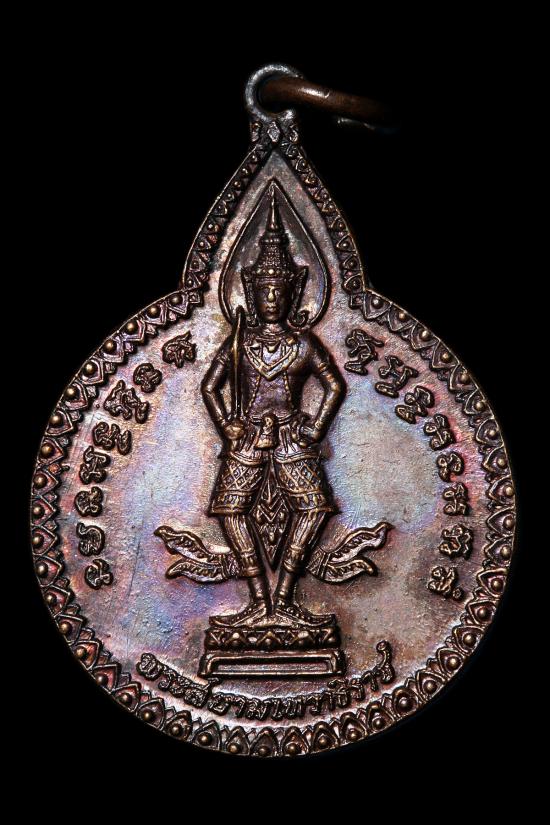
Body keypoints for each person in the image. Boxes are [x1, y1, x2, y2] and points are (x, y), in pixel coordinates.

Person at [201, 187, 345, 628]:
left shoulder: (303, 343)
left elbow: (334, 385)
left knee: (314, 508)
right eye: (263, 291)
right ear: (252, 292)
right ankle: (257, 600)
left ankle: (285, 597)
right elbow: (210, 387)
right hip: (247, 436)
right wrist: (226, 426)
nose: (270, 299)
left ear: (291, 294)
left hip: (291, 437)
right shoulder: (239, 342)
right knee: (229, 509)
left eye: (278, 292)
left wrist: (316, 428)